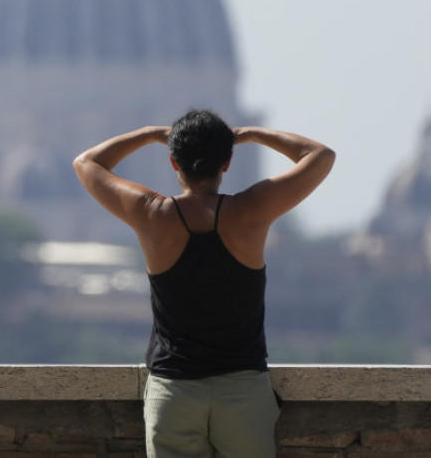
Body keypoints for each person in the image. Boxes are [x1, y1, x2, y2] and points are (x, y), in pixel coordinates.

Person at [72, 109, 335, 458]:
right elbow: (320, 156)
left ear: (173, 162)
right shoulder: (251, 210)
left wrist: (150, 132)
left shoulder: (153, 214)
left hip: (174, 390)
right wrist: (251, 133)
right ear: (226, 163)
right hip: (242, 389)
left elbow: (87, 163)